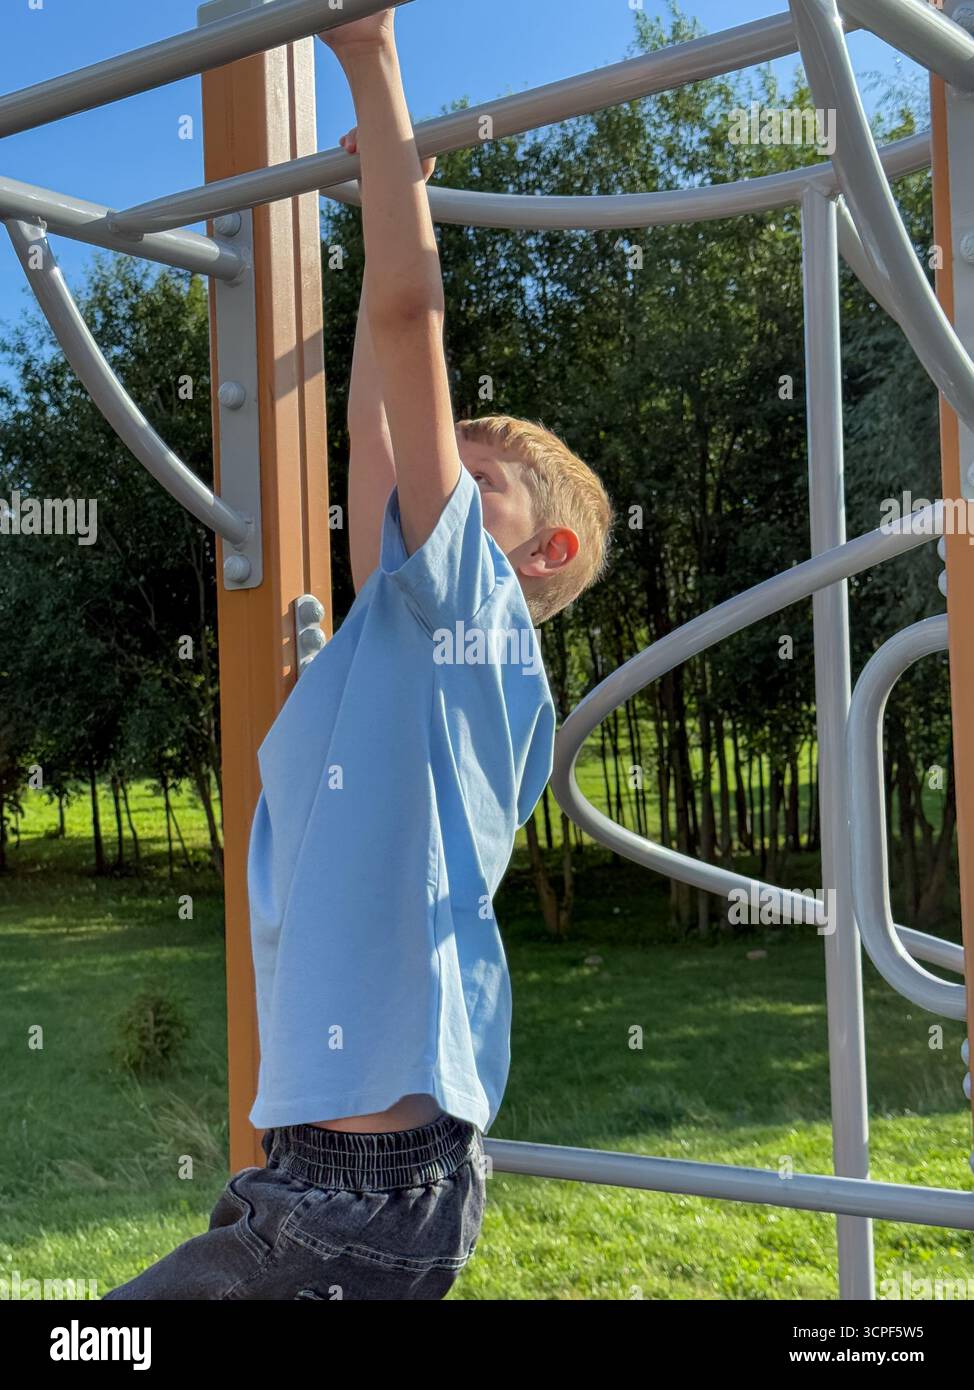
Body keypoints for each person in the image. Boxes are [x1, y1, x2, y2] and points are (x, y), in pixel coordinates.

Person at [103, 6, 613, 1301]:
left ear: (543, 552)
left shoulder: (468, 620)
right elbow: (376, 418)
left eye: (482, 479)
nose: (437, 481)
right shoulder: (401, 621)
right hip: (322, 1174)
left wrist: (371, 58)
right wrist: (392, 182)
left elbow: (403, 327)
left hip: (366, 1193)